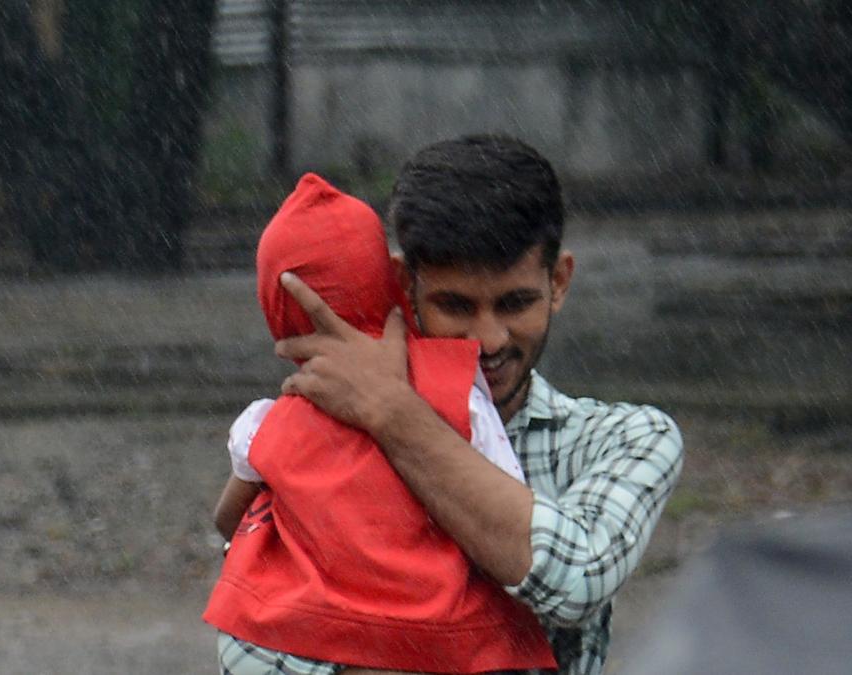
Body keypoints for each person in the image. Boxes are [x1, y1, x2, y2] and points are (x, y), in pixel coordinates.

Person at [268, 134, 685, 674]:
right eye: (456, 306)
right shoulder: (325, 437)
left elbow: (574, 580)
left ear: (558, 281)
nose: (489, 339)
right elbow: (253, 651)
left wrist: (394, 416)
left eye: (515, 303)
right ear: (403, 284)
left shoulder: (625, 439)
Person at [203, 173, 557, 673]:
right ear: (393, 283)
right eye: (458, 305)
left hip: (313, 632)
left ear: (273, 311)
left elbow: (229, 521)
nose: (489, 340)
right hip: (448, 633)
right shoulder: (456, 388)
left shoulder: (267, 422)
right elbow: (503, 507)